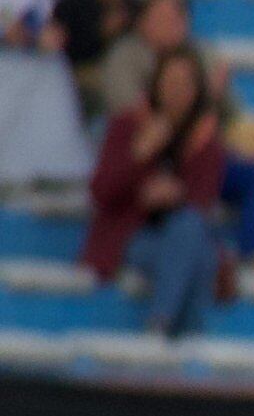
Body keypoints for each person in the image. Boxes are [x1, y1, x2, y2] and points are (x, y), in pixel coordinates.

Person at [82, 43, 231, 339]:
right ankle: (184, 338)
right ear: (156, 84)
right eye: (170, 82)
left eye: (185, 84)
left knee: (192, 235)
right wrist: (139, 155)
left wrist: (175, 195)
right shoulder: (128, 125)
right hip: (128, 234)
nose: (177, 91)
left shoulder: (205, 139)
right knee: (199, 255)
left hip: (178, 235)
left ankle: (161, 325)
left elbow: (203, 200)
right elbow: (101, 192)